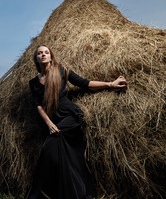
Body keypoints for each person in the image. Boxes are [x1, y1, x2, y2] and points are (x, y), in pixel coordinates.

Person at [25, 45, 127, 199]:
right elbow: (38, 106)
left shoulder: (61, 70)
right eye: (40, 53)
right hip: (55, 121)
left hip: (71, 116)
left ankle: (38, 194)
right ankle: (70, 193)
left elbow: (85, 83)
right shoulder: (33, 83)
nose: (43, 55)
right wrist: (49, 124)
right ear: (36, 59)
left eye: (46, 52)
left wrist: (110, 84)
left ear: (51, 57)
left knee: (48, 148)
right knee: (65, 156)